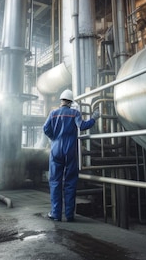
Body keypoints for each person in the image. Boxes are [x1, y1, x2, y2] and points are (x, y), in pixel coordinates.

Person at [43, 89, 99, 222]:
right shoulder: (75, 113)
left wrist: (54, 139)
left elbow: (45, 129)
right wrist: (94, 118)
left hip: (56, 150)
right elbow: (82, 126)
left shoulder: (53, 113)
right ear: (70, 102)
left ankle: (56, 214)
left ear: (61, 100)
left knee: (55, 182)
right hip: (70, 150)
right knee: (70, 182)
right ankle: (69, 215)